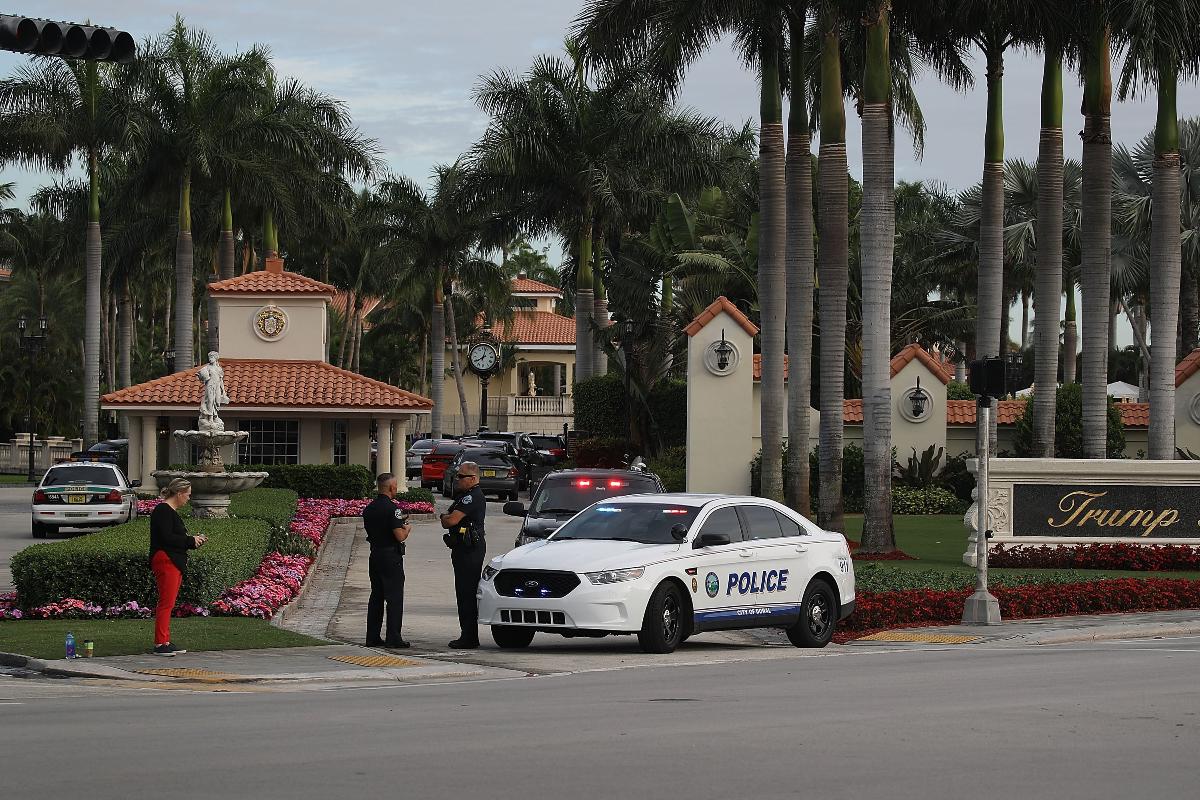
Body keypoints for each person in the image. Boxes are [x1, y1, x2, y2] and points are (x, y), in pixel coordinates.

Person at [149, 478, 207, 656]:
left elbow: (172, 537)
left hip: (172, 559)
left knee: (169, 602)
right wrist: (190, 540)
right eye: (188, 495)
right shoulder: (163, 510)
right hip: (166, 559)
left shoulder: (169, 511)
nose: (188, 498)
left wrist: (192, 541)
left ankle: (164, 640)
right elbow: (167, 538)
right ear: (179, 493)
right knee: (166, 603)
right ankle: (160, 643)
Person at [440, 460, 487, 649]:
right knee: (462, 592)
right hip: (462, 548)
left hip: (469, 549)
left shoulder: (471, 497)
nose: (457, 479)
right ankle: (467, 634)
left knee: (466, 593)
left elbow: (450, 520)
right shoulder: (464, 495)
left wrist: (444, 518)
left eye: (461, 476)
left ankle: (469, 637)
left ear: (473, 478)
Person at [363, 472, 412, 648]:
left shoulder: (369, 508)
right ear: (391, 488)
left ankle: (372, 636)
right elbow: (399, 536)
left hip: (375, 554)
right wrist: (406, 529)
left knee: (376, 596)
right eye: (396, 486)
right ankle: (393, 637)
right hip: (391, 556)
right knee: (394, 597)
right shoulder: (394, 509)